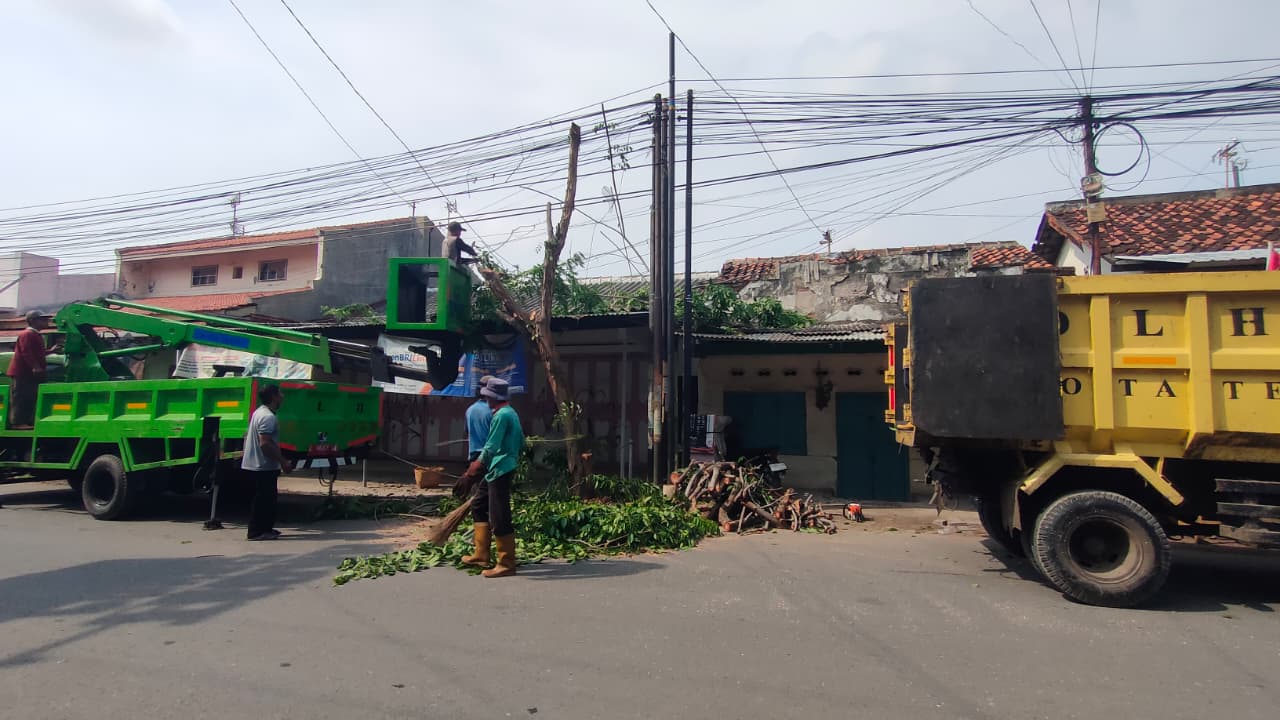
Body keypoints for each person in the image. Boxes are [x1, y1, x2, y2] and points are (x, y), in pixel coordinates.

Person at [461, 377, 524, 577]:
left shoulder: (501, 416)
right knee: (478, 504)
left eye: (488, 397)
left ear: (493, 398)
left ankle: (506, 563)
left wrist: (472, 471)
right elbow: (521, 441)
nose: (486, 400)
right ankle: (481, 554)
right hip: (497, 468)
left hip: (500, 469)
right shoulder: (510, 413)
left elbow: (491, 447)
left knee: (499, 515)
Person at [242, 384, 293, 541]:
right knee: (263, 500)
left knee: (268, 499)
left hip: (259, 465)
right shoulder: (267, 417)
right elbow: (265, 443)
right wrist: (283, 461)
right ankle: (256, 532)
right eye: (280, 394)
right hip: (262, 466)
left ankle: (266, 528)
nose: (282, 396)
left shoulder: (259, 412)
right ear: (273, 397)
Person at [6, 310, 60, 429]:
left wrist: (50, 351)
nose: (46, 321)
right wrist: (35, 367)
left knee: (30, 397)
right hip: (23, 372)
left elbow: (36, 352)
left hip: (29, 373)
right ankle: (18, 423)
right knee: (21, 397)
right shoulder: (27, 334)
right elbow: (27, 352)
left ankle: (27, 421)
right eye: (42, 319)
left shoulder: (35, 334)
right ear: (32, 321)